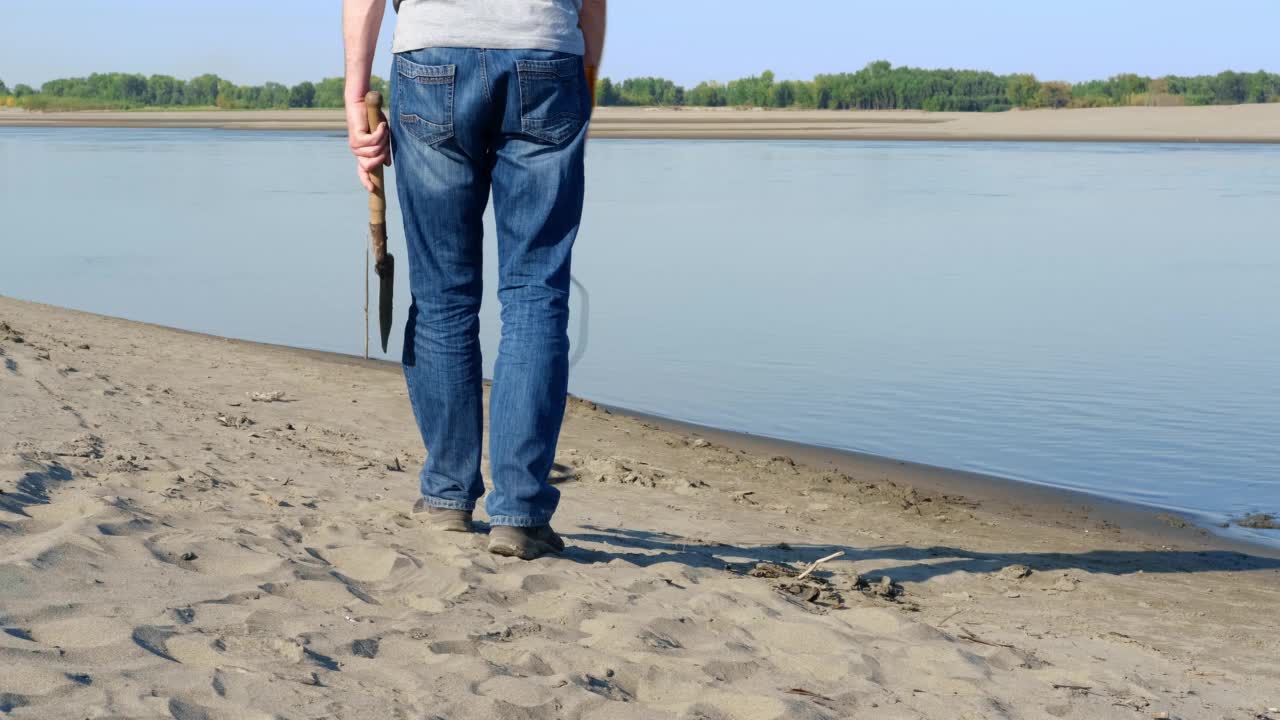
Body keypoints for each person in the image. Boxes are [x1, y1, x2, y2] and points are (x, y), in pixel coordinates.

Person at [343, 0, 606, 560]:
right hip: (546, 55)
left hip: (433, 55)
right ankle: (521, 514)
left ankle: (447, 498)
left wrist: (354, 93)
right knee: (536, 292)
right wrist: (585, 84)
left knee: (443, 295)